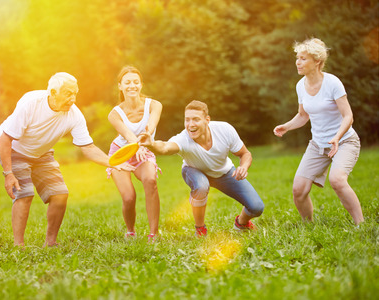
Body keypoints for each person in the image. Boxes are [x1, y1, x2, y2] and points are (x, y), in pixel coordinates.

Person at [0, 72, 134, 247]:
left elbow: (88, 147)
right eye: (68, 93)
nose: (73, 99)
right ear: (53, 93)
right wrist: (8, 173)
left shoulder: (74, 115)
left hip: (42, 152)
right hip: (14, 148)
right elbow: (6, 138)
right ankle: (18, 246)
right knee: (24, 193)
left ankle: (51, 243)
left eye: (75, 93)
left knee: (60, 194)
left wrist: (113, 162)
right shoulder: (31, 104)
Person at [139, 100, 264, 237]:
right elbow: (164, 147)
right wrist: (151, 144)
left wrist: (243, 167)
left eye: (196, 119)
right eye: (187, 120)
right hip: (193, 171)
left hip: (224, 172)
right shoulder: (183, 139)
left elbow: (245, 154)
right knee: (201, 185)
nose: (190, 124)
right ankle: (200, 228)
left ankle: (241, 223)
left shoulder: (224, 130)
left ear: (207, 120)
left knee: (257, 207)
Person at [273, 38, 363, 225]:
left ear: (317, 62)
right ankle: (309, 226)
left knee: (337, 180)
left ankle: (360, 224)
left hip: (345, 141)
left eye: (303, 58)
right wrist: (287, 126)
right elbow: (303, 115)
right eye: (297, 57)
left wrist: (337, 137)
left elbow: (348, 116)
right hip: (318, 145)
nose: (298, 62)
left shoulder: (332, 83)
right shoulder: (300, 85)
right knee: (298, 190)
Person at [107, 66, 162, 243]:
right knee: (129, 197)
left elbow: (151, 125)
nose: (132, 85)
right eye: (127, 82)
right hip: (121, 153)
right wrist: (136, 143)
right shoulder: (114, 114)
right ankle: (130, 231)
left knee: (151, 180)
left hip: (142, 151)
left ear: (141, 85)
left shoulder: (154, 105)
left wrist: (145, 137)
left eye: (136, 82)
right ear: (120, 86)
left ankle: (153, 234)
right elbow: (127, 134)